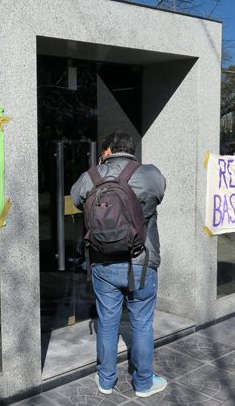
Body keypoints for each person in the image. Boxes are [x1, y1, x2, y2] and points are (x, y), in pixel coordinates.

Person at [70, 131, 167, 398]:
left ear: (108, 151)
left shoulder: (93, 176)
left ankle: (106, 380)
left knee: (107, 323)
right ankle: (144, 383)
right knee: (143, 324)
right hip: (142, 261)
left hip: (103, 263)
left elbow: (76, 197)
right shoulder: (150, 174)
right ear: (131, 150)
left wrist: (101, 169)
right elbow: (160, 193)